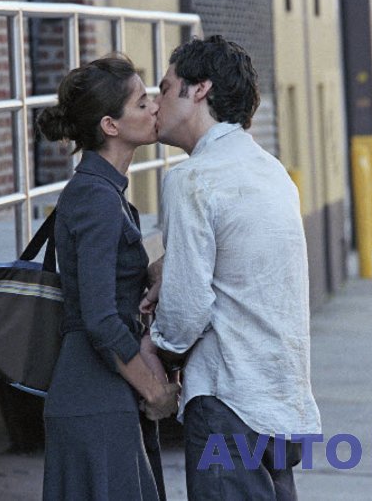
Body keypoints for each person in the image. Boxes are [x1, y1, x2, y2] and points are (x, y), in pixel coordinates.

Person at [140, 36, 322, 500]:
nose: (156, 103)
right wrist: (171, 266)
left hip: (228, 400)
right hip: (283, 401)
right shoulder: (271, 171)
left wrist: (155, 354)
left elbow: (186, 311)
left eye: (166, 88)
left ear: (200, 89)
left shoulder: (192, 178)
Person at [37, 55, 179, 501]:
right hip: (93, 401)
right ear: (110, 126)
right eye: (141, 103)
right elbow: (99, 317)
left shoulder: (105, 192)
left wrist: (152, 272)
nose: (155, 107)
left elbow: (105, 283)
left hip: (102, 396)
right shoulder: (97, 198)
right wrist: (155, 392)